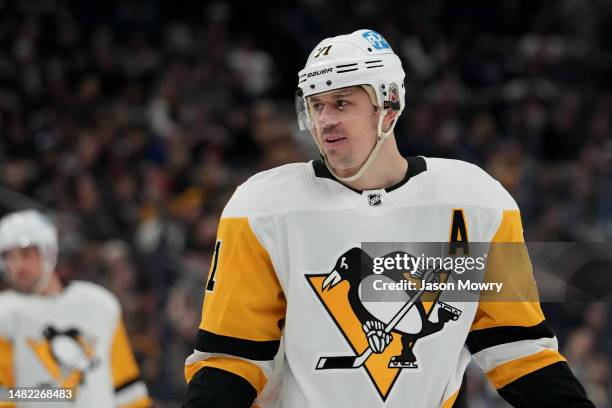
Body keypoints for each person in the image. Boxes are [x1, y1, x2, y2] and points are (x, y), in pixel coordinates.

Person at [184, 29, 594, 407]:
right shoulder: (262, 207)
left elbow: (516, 349)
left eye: (342, 102)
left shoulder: (477, 204)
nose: (325, 120)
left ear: (389, 106)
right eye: (316, 104)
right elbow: (232, 357)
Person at [0, 209, 152, 408]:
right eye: (8, 257)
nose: (17, 265)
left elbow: (126, 387)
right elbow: (4, 395)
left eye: (26, 253)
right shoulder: (5, 312)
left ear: (49, 250)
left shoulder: (98, 303)